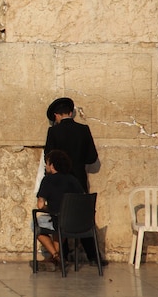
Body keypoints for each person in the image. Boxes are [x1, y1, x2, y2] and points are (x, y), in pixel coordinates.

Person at [44, 97, 108, 266]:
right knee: (83, 218)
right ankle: (94, 257)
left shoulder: (53, 132)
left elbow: (48, 157)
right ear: (71, 113)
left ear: (57, 115)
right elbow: (92, 157)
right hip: (78, 181)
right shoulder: (83, 130)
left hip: (58, 184)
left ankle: (61, 255)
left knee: (59, 218)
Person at [36, 150, 84, 269]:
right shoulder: (73, 179)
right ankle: (55, 259)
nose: (46, 166)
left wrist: (50, 207)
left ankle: (56, 256)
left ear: (52, 165)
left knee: (35, 225)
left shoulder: (47, 180)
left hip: (59, 220)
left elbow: (40, 205)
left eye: (47, 163)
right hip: (76, 222)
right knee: (60, 221)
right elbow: (82, 198)